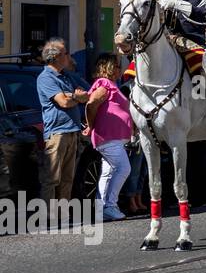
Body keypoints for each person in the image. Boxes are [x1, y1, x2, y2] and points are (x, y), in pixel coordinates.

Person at [36, 37, 90, 204]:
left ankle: (62, 215)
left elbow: (86, 94)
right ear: (56, 56)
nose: (69, 56)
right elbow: (64, 102)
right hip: (57, 133)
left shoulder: (66, 76)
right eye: (66, 53)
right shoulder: (46, 78)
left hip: (71, 131)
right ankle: (48, 217)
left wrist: (74, 96)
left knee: (67, 178)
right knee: (52, 178)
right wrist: (74, 96)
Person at [83, 53, 134, 221]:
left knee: (108, 172)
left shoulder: (111, 84)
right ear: (109, 67)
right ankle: (109, 206)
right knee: (123, 168)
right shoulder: (104, 83)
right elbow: (91, 104)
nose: (121, 69)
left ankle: (102, 207)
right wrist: (90, 126)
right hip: (107, 136)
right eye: (118, 66)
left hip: (112, 137)